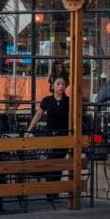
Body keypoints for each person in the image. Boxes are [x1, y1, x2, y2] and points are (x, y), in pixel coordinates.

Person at [25, 75, 71, 204]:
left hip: (63, 136)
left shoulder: (68, 101)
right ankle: (49, 192)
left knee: (59, 163)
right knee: (50, 163)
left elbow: (73, 118)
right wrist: (29, 131)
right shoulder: (47, 100)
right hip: (50, 135)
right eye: (58, 84)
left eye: (63, 84)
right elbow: (38, 115)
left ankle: (54, 192)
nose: (61, 86)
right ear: (53, 86)